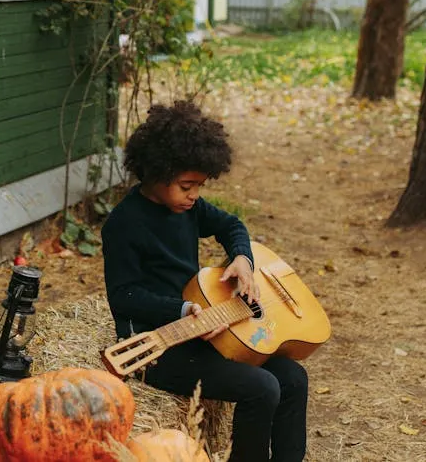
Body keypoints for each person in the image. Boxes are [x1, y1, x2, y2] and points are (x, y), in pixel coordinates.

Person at [101, 100, 308, 462]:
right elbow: (123, 296)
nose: (194, 194)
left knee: (293, 377)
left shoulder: (189, 207)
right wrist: (182, 309)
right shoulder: (123, 224)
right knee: (261, 388)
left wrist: (243, 259)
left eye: (199, 185)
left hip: (205, 332)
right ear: (155, 172)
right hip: (161, 346)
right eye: (186, 185)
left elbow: (231, 225)